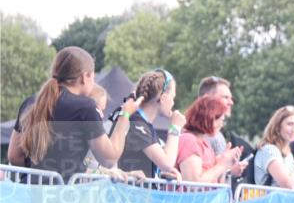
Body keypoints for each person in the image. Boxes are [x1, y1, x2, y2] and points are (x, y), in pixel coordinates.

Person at [16, 46, 136, 181]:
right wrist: (125, 115)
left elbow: (14, 156)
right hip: (66, 197)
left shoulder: (30, 102)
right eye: (93, 76)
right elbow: (109, 158)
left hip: (31, 194)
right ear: (85, 77)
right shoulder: (85, 107)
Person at [115, 69, 185, 180]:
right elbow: (167, 164)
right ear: (163, 98)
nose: (173, 103)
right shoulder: (136, 122)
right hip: (128, 195)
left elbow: (155, 164)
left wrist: (161, 175)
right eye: (173, 97)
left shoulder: (144, 123)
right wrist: (175, 127)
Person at [176, 96, 243, 183]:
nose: (222, 125)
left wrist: (223, 161)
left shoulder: (205, 144)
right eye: (221, 120)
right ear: (209, 117)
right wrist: (222, 164)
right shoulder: (188, 140)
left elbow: (217, 183)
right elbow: (193, 183)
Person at [253, 106, 294, 189]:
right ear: (278, 126)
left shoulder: (288, 154)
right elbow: (287, 185)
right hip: (269, 201)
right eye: (290, 124)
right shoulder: (269, 150)